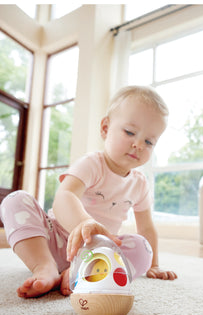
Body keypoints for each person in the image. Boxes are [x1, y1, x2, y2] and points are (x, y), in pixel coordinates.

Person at [0, 85, 177, 298]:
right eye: (130, 132)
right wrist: (83, 223)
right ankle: (44, 267)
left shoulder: (140, 184)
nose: (139, 144)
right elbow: (65, 196)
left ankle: (78, 273)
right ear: (105, 128)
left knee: (142, 247)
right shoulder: (93, 164)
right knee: (15, 200)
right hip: (53, 240)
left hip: (96, 253)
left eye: (149, 141)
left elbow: (146, 227)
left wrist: (154, 264)